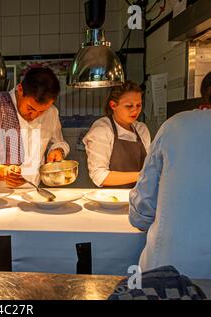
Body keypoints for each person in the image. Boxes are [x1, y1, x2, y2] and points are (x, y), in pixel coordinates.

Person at [129, 71, 211, 279]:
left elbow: (143, 206)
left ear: (205, 94)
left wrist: (144, 219)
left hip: (171, 264)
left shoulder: (176, 125)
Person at [0, 67, 70, 188]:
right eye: (30, 108)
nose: (34, 116)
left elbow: (58, 142)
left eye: (42, 112)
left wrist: (58, 151)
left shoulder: (51, 113)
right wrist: (3, 173)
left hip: (34, 193)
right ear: (20, 89)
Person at [83, 81, 151, 188]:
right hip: (110, 200)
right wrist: (141, 175)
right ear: (113, 105)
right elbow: (99, 176)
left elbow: (149, 166)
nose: (135, 110)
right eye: (129, 106)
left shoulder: (142, 129)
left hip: (140, 197)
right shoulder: (102, 129)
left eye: (139, 105)